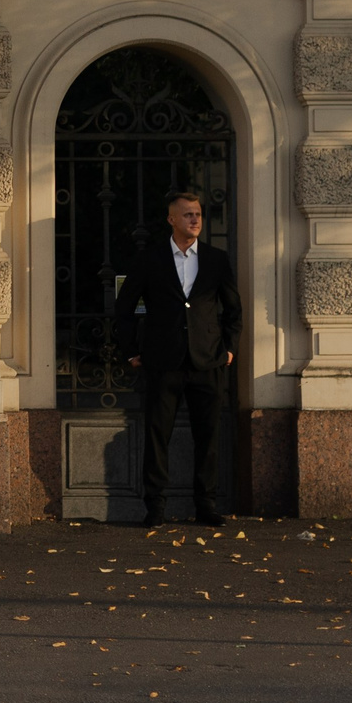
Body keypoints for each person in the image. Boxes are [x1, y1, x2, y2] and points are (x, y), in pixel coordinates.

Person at [113, 188, 241, 527]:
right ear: (172, 219)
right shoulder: (149, 259)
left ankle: (206, 506)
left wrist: (229, 348)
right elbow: (124, 309)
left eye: (198, 213)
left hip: (208, 361)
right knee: (157, 437)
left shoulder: (216, 259)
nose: (195, 219)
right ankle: (154, 508)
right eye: (188, 214)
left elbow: (233, 310)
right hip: (162, 362)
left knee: (208, 437)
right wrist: (132, 352)